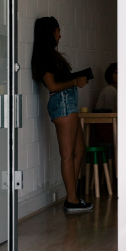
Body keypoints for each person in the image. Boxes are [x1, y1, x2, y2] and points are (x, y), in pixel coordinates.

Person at [30, 16, 92, 214]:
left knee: (79, 150)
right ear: (50, 33)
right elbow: (53, 86)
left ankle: (73, 196)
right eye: (58, 31)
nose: (60, 35)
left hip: (68, 103)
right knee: (67, 154)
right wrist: (75, 82)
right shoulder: (44, 57)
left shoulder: (51, 55)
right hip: (62, 104)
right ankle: (71, 200)